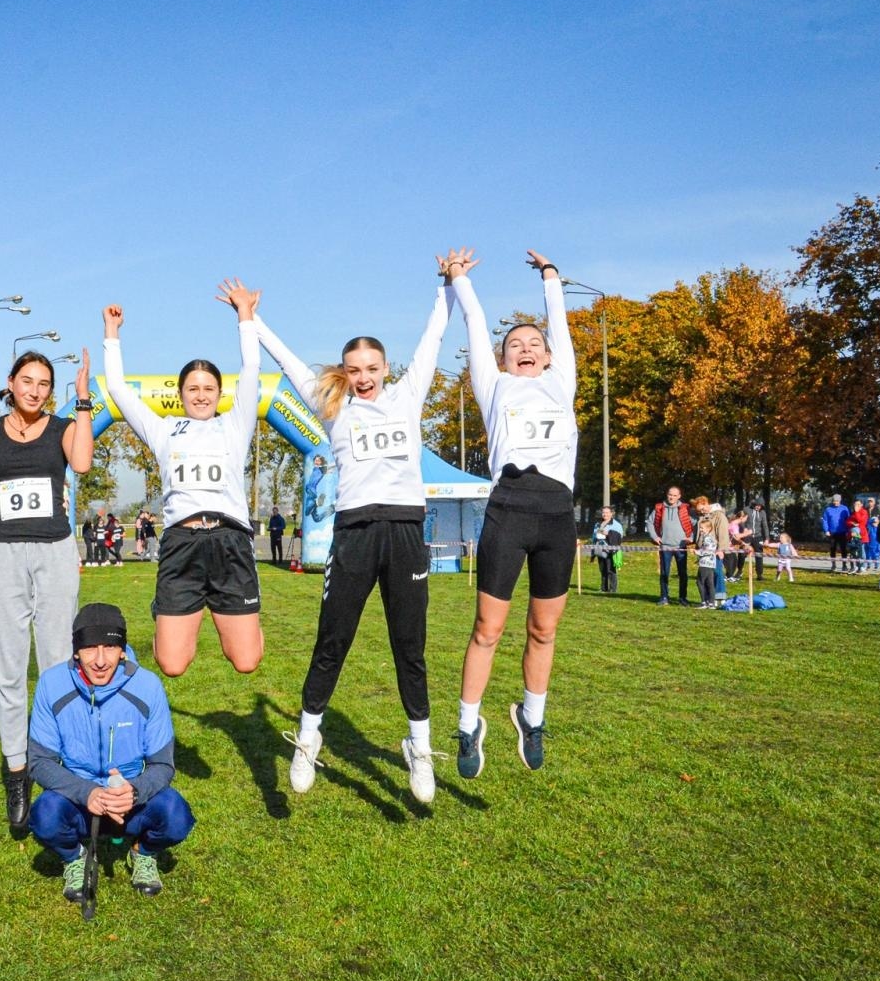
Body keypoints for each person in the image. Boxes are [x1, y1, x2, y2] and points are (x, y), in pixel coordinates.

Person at [256, 260, 450, 802]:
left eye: (371, 366)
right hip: (356, 533)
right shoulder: (333, 407)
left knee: (409, 645)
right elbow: (289, 363)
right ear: (344, 371)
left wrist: (449, 285)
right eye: (353, 368)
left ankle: (419, 748)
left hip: (407, 531)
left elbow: (435, 338)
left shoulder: (407, 398)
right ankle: (309, 739)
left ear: (386, 367)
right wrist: (253, 319)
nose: (363, 375)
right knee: (332, 641)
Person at [450, 249, 580, 780]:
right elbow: (478, 326)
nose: (524, 350)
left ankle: (532, 717)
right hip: (508, 508)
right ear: (503, 360)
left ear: (547, 356)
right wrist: (459, 279)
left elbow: (562, 326)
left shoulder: (560, 382)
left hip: (556, 515)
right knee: (488, 626)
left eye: (534, 345)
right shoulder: (495, 385)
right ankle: (467, 725)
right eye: (514, 346)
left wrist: (552, 278)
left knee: (544, 629)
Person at [0, 348, 94, 829]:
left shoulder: (64, 426)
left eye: (43, 384)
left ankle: (56, 765)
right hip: (3, 554)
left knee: (57, 662)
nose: (35, 390)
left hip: (54, 551)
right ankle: (17, 770)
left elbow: (83, 464)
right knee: (7, 664)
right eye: (27, 380)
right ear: (11, 383)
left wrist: (82, 400)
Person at [103, 280, 265, 679]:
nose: (201, 394)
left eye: (209, 388)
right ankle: (173, 609)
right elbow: (120, 392)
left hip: (229, 542)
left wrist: (244, 315)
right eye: (193, 388)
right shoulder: (164, 431)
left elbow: (252, 368)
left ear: (220, 392)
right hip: (182, 545)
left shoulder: (235, 425)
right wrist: (112, 334)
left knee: (246, 661)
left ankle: (236, 611)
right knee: (172, 665)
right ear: (181, 393)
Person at [27, 603, 195, 903]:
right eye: (91, 648)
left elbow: (162, 764)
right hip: (79, 799)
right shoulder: (52, 684)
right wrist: (87, 792)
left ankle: (142, 853)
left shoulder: (148, 686)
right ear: (76, 650)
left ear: (123, 649)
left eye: (111, 646)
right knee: (44, 816)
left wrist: (134, 790)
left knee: (177, 816)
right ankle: (73, 858)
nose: (101, 660)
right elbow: (40, 761)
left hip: (129, 797)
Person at [648, 485, 694, 605]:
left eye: (674, 495)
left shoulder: (686, 509)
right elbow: (650, 523)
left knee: (683, 574)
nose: (671, 497)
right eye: (670, 494)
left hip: (681, 547)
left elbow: (697, 525)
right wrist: (655, 537)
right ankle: (664, 597)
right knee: (664, 573)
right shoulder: (659, 508)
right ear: (667, 494)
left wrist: (691, 538)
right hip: (665, 546)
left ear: (679, 496)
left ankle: (682, 598)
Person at [591, 506, 623, 592]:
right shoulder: (597, 524)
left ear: (611, 514)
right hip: (599, 549)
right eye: (603, 512)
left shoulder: (617, 525)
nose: (605, 514)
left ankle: (613, 589)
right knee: (602, 569)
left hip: (610, 550)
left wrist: (608, 534)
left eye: (607, 512)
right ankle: (604, 588)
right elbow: (594, 536)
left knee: (611, 570)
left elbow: (619, 537)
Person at [693, 512, 721, 608]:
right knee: (710, 583)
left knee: (700, 582)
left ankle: (704, 602)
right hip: (711, 564)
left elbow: (708, 550)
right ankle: (711, 603)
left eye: (702, 528)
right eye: (700, 528)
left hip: (705, 564)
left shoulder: (708, 538)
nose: (700, 530)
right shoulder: (710, 538)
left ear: (709, 529)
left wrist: (698, 553)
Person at [820, 494, 850, 572]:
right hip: (832, 533)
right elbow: (825, 520)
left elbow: (848, 520)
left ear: (840, 501)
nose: (835, 502)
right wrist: (826, 530)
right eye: (834, 501)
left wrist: (848, 531)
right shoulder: (828, 509)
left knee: (844, 549)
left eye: (837, 501)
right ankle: (833, 565)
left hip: (842, 532)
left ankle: (844, 565)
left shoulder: (844, 509)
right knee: (833, 549)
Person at [746, 500, 771, 578]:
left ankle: (759, 574)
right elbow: (741, 521)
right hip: (747, 536)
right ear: (754, 504)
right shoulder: (746, 510)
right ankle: (739, 571)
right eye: (757, 505)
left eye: (760, 506)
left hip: (758, 536)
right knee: (742, 553)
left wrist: (767, 538)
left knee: (759, 555)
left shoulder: (763, 513)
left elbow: (765, 526)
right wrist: (744, 529)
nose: (758, 507)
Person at [846, 499, 870, 575]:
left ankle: (863, 566)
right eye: (855, 504)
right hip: (852, 534)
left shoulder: (864, 512)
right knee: (853, 551)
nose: (856, 506)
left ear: (861, 505)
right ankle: (855, 566)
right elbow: (847, 521)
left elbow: (861, 520)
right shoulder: (853, 512)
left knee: (861, 551)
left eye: (858, 504)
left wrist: (856, 512)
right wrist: (852, 523)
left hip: (861, 535)